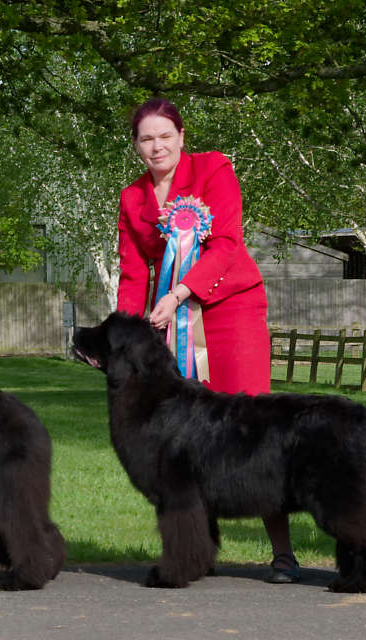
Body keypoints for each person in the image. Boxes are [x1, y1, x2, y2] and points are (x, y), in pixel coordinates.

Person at [115, 97, 290, 583]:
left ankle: (283, 553)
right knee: (189, 439)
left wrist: (179, 292)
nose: (157, 146)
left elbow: (228, 243)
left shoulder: (214, 171)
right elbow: (133, 274)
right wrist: (127, 336)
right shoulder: (133, 199)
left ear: (181, 137)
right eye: (147, 139)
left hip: (230, 311)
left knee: (253, 429)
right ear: (136, 146)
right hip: (169, 324)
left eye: (165, 136)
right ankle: (198, 553)